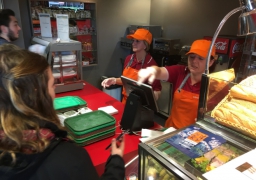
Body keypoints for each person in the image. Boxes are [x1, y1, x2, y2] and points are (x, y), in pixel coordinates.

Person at [0, 49, 125, 180]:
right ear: (39, 95)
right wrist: (116, 162)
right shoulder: (69, 159)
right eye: (53, 85)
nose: (55, 91)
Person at [137, 39, 216, 129]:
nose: (194, 61)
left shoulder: (215, 85)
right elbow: (160, 71)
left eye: (200, 58)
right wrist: (153, 70)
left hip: (192, 136)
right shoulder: (180, 72)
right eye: (192, 57)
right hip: (170, 130)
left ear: (211, 62)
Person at [101, 28, 162, 104]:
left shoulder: (151, 65)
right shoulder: (129, 59)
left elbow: (157, 89)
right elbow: (127, 82)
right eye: (133, 40)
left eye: (137, 41)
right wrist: (114, 80)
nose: (133, 43)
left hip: (141, 106)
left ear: (145, 45)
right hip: (125, 102)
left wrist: (153, 97)